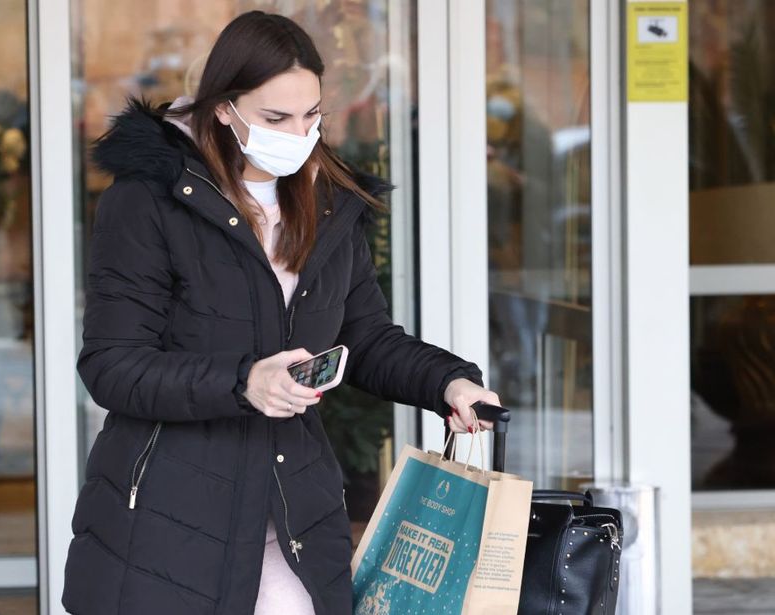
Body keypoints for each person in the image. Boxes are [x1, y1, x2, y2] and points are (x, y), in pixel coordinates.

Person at [62, 10, 500, 615]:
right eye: (275, 118)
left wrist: (447, 381)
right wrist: (244, 382)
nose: (297, 134)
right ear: (223, 108)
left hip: (294, 504)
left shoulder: (329, 204)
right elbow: (111, 365)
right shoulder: (147, 202)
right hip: (169, 520)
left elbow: (363, 336)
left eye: (311, 115)